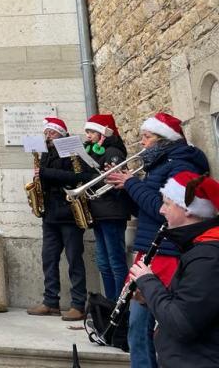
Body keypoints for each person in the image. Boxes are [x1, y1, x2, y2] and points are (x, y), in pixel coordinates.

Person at [106, 112, 209, 368]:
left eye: (147, 137)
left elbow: (163, 210)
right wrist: (123, 188)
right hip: (149, 249)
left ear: (164, 139)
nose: (142, 143)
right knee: (137, 325)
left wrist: (132, 184)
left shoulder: (182, 165)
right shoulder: (157, 165)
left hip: (167, 252)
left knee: (150, 325)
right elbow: (142, 208)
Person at [130, 171, 219, 368]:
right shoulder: (198, 247)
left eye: (167, 203)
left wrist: (148, 281)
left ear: (187, 209)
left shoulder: (208, 257)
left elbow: (182, 324)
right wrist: (152, 295)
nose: (161, 210)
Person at [27, 117, 96, 321]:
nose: (48, 136)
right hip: (50, 212)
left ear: (62, 134)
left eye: (52, 132)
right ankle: (50, 302)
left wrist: (46, 173)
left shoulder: (72, 151)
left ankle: (78, 304)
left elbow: (82, 177)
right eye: (46, 132)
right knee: (49, 258)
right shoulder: (45, 154)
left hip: (69, 212)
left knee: (74, 259)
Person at [83, 113, 132, 300]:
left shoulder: (113, 153)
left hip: (112, 212)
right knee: (103, 263)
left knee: (115, 262)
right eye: (87, 131)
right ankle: (109, 302)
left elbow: (119, 186)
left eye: (92, 132)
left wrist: (100, 179)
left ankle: (119, 304)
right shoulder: (93, 152)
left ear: (102, 134)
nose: (88, 135)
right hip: (99, 212)